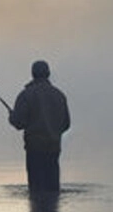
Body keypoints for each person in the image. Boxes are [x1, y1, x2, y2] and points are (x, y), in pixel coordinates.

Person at [8, 60, 71, 194]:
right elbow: (66, 124)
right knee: (53, 190)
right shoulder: (60, 95)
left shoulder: (26, 95)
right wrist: (53, 133)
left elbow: (18, 123)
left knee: (36, 191)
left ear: (32, 74)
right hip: (54, 148)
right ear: (48, 74)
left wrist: (12, 116)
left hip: (34, 149)